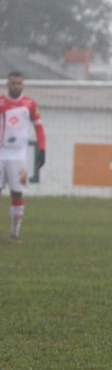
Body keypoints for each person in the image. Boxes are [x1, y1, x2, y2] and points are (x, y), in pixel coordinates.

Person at [0, 71, 47, 243]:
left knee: (17, 193)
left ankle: (15, 234)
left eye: (18, 83)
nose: (15, 86)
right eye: (12, 83)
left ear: (23, 85)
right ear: (7, 84)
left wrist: (42, 149)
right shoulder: (1, 102)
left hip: (19, 155)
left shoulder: (30, 104)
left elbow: (39, 128)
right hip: (0, 153)